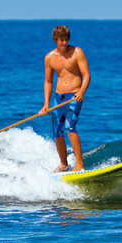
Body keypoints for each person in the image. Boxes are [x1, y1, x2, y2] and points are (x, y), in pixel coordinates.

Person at [39, 25, 91, 172]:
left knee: (70, 126)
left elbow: (86, 75)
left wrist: (81, 92)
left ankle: (79, 163)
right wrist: (46, 104)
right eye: (61, 40)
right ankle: (64, 164)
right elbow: (48, 81)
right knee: (57, 131)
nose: (64, 43)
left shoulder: (77, 52)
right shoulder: (49, 58)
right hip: (58, 97)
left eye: (66, 39)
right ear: (56, 40)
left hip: (75, 95)